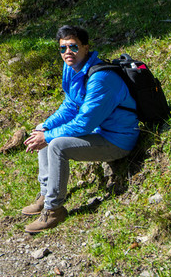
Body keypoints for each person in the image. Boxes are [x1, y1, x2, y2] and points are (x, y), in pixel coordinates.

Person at [21, 25, 139, 233]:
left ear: (85, 47)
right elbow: (69, 106)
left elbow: (85, 123)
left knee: (57, 144)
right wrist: (47, 127)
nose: (68, 52)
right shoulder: (72, 68)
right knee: (43, 129)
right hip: (97, 133)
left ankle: (54, 209)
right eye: (63, 48)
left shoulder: (101, 78)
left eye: (73, 47)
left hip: (117, 140)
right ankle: (46, 193)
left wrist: (48, 136)